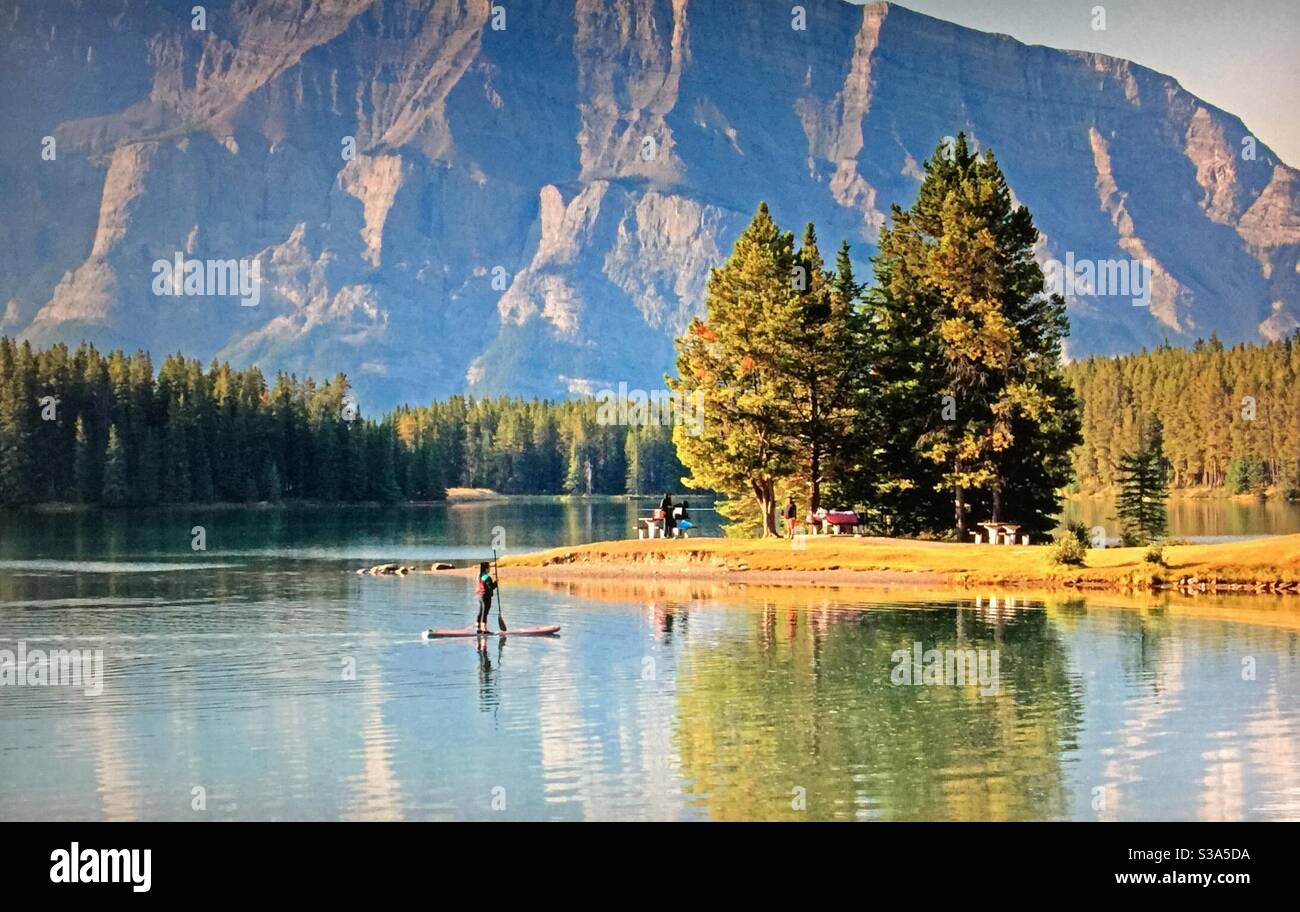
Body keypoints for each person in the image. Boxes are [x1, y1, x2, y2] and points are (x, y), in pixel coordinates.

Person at [474, 561, 497, 633]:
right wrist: (496, 582)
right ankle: (484, 629)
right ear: (486, 569)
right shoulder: (487, 577)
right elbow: (491, 587)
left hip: (480, 596)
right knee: (485, 612)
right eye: (489, 567)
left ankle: (478, 627)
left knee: (481, 611)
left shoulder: (479, 575)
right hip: (486, 596)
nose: (490, 569)